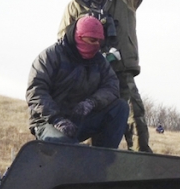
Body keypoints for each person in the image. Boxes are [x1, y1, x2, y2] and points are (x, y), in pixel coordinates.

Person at [57, 0, 158, 153]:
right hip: (91, 73)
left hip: (121, 67)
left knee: (134, 113)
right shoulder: (76, 5)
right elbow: (63, 39)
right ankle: (96, 163)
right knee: (95, 115)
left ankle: (142, 158)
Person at [27, 14, 129, 148]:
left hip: (80, 120)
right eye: (92, 40)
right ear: (78, 36)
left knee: (120, 107)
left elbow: (112, 86)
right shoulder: (50, 57)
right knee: (71, 151)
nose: (96, 45)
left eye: (99, 41)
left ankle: (104, 160)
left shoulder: (99, 62)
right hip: (48, 122)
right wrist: (56, 119)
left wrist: (92, 102)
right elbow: (36, 92)